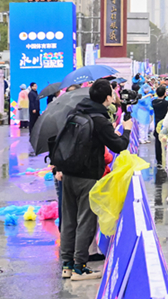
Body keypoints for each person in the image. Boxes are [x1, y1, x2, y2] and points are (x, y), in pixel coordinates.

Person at [59, 79, 132, 280]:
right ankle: (79, 267)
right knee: (86, 222)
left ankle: (66, 264)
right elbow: (118, 146)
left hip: (68, 173)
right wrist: (126, 129)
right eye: (112, 93)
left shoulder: (74, 112)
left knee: (69, 220)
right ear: (107, 98)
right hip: (88, 176)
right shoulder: (99, 119)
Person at [151, 86, 168, 170]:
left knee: (158, 143)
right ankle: (166, 160)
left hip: (157, 123)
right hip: (165, 124)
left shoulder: (154, 102)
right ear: (165, 93)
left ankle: (159, 161)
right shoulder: (167, 103)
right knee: (167, 142)